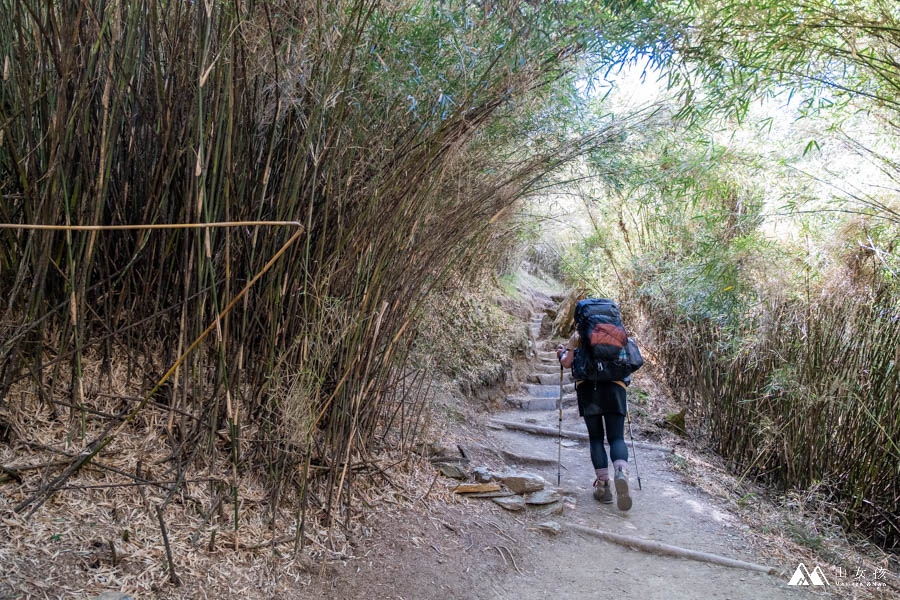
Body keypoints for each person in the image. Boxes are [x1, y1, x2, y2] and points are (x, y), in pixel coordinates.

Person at [557, 331, 632, 511]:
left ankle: (603, 487)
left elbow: (567, 363)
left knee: (596, 438)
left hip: (589, 388)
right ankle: (621, 473)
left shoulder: (577, 335)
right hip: (616, 387)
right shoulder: (617, 332)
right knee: (617, 438)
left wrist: (561, 353)